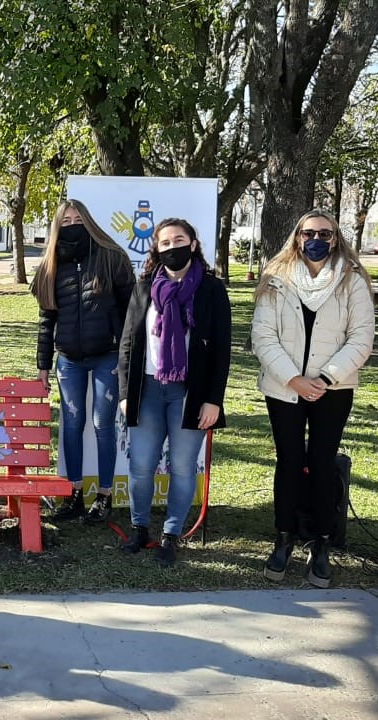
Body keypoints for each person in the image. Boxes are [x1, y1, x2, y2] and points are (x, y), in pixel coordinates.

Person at [251, 209, 374, 588]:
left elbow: (361, 337)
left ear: (336, 238)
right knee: (289, 462)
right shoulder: (276, 277)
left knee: (321, 464)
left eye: (324, 233)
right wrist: (293, 379)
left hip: (331, 390)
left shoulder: (353, 279)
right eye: (308, 233)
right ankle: (284, 538)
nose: (315, 239)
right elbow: (263, 335)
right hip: (284, 388)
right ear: (297, 236)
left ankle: (321, 542)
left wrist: (323, 378)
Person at [117, 219, 230, 566]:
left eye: (178, 240)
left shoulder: (211, 289)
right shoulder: (145, 286)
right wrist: (124, 393)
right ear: (156, 248)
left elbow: (222, 349)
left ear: (193, 244)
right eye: (164, 242)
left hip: (189, 392)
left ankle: (171, 534)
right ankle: (139, 529)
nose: (171, 247)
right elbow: (127, 343)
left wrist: (213, 399)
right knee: (140, 466)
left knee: (182, 468)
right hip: (147, 390)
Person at [30, 199, 136, 522]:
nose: (73, 224)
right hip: (69, 361)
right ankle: (73, 492)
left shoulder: (110, 257)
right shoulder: (51, 264)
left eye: (78, 218)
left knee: (104, 424)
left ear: (88, 221)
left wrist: (125, 356)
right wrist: (43, 366)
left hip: (107, 356)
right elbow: (47, 321)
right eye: (66, 220)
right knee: (71, 425)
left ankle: (104, 496)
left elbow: (130, 312)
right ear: (56, 227)